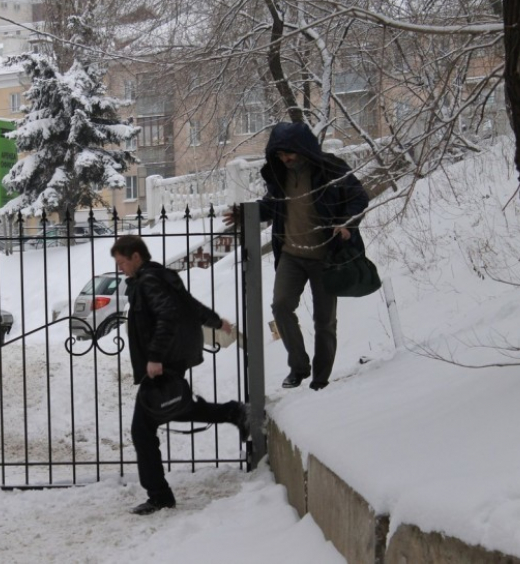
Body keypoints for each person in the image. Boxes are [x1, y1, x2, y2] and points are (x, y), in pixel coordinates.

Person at [110, 235, 250, 516]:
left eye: (122, 262)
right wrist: (215, 320)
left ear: (136, 257)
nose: (120, 269)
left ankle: (160, 496)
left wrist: (155, 357)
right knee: (176, 408)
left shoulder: (149, 280)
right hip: (170, 359)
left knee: (142, 429)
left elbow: (169, 315)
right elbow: (188, 304)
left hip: (163, 362)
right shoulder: (159, 276)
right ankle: (233, 413)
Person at [224, 122, 369, 391]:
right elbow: (272, 206)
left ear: (302, 148)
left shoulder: (331, 169)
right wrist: (246, 213)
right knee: (280, 306)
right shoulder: (281, 175)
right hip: (291, 255)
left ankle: (320, 379)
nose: (284, 159)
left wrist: (346, 224)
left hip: (325, 257)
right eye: (279, 155)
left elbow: (359, 197)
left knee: (324, 321)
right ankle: (299, 367)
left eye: (288, 153)